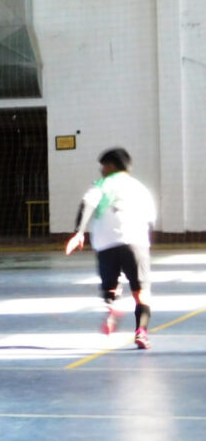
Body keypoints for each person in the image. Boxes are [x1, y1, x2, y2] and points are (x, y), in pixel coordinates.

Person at [65, 147, 157, 349]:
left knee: (110, 286)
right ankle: (141, 331)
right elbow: (150, 220)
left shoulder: (101, 185)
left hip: (105, 244)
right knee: (141, 292)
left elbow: (86, 205)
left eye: (103, 166)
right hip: (135, 242)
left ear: (111, 166)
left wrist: (79, 232)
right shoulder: (140, 188)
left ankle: (112, 308)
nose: (101, 170)